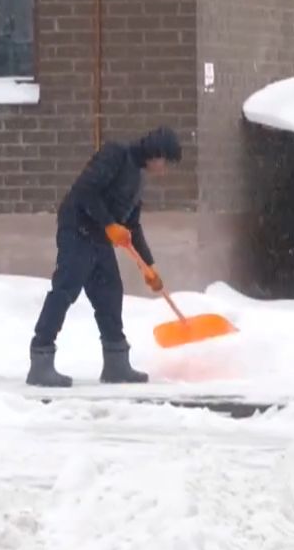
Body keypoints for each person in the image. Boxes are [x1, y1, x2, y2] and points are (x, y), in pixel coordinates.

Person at [27, 127, 182, 388]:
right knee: (65, 290)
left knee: (110, 294)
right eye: (166, 162)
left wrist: (149, 266)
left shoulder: (137, 178)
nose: (164, 170)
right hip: (77, 230)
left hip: (99, 238)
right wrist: (109, 223)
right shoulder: (116, 154)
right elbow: (85, 191)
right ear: (156, 153)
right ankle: (41, 359)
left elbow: (132, 226)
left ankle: (116, 364)